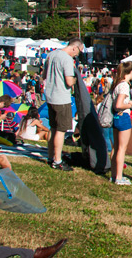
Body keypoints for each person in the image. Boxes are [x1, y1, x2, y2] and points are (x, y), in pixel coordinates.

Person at [43, 37, 84, 172]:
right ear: (74, 47)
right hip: (61, 98)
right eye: (78, 52)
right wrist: (76, 77)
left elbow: (44, 75)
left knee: (53, 128)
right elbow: (69, 82)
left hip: (50, 96)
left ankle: (51, 157)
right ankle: (58, 161)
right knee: (61, 131)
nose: (77, 55)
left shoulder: (51, 55)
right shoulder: (67, 59)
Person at [110, 61, 132, 186]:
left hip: (116, 117)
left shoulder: (117, 83)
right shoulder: (125, 86)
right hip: (123, 116)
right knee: (122, 149)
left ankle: (114, 174)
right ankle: (119, 177)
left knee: (116, 148)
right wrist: (130, 104)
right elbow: (119, 104)